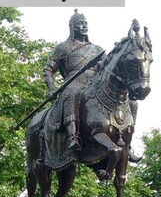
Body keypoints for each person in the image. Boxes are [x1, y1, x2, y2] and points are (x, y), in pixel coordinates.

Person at [43, 12, 142, 161]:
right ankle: (73, 136)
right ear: (72, 26)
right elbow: (48, 69)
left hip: (95, 83)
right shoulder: (63, 47)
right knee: (72, 93)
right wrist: (51, 88)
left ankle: (127, 144)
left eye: (85, 23)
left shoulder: (97, 49)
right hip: (74, 82)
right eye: (80, 23)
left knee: (132, 103)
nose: (84, 26)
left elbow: (108, 65)